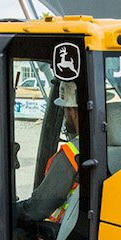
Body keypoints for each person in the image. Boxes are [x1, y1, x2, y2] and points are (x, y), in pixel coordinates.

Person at [16, 81, 80, 231]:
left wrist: (10, 210)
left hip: (65, 237)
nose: (65, 116)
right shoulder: (110, 146)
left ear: (72, 111)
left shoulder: (72, 154)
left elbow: (38, 208)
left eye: (64, 111)